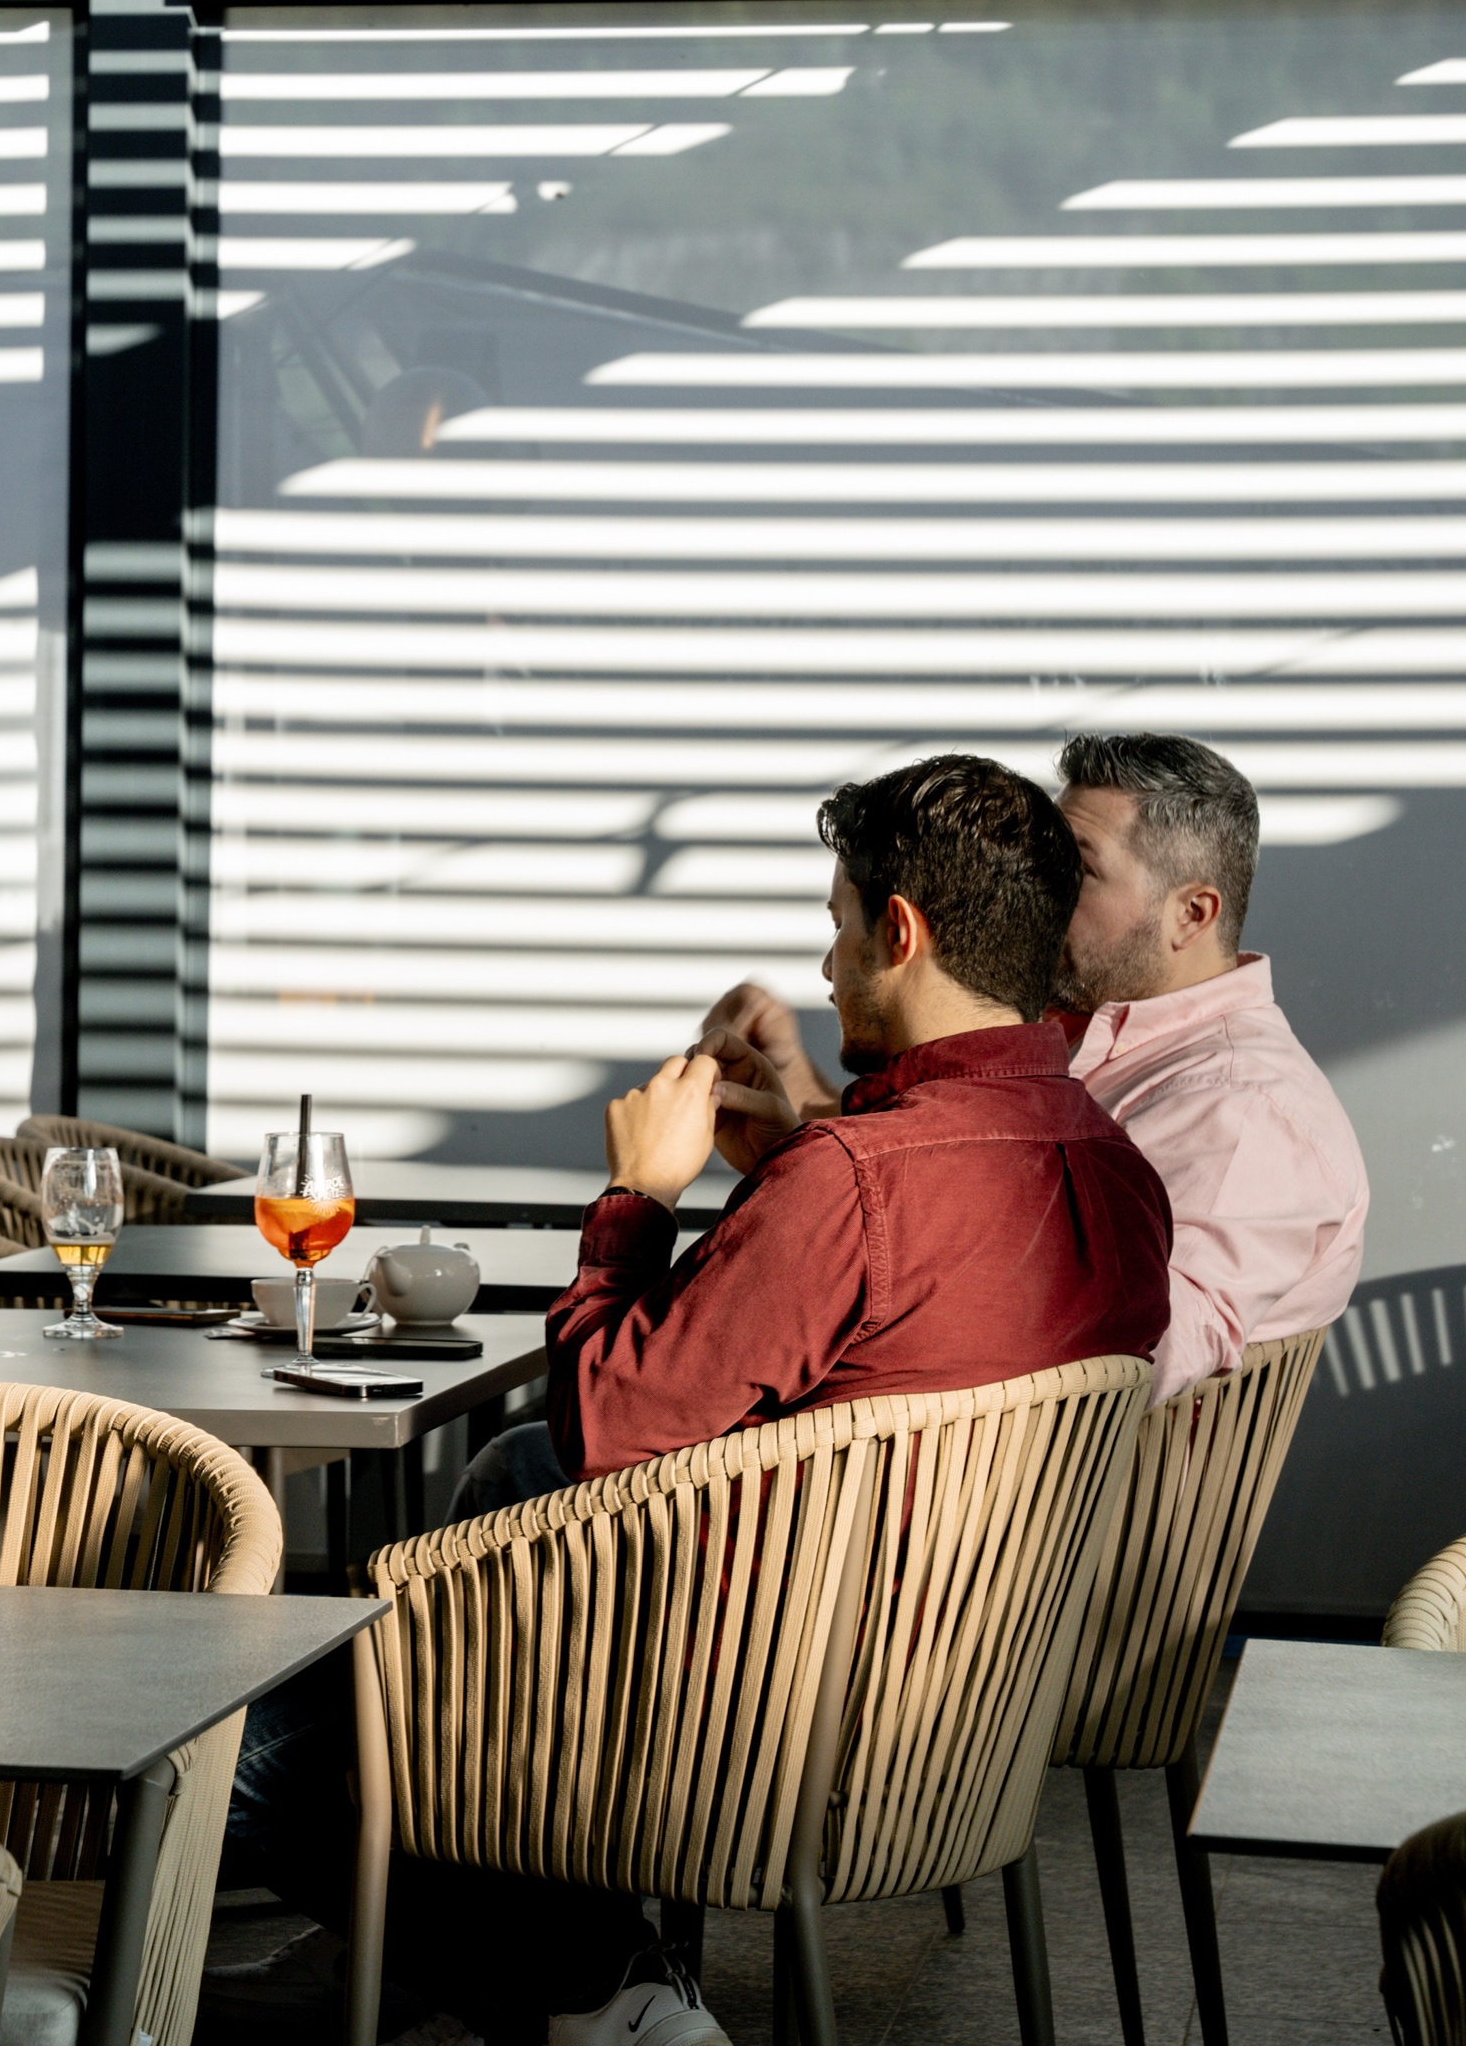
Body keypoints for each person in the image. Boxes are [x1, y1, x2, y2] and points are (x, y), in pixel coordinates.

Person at [230, 754, 1174, 2046]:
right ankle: (546, 1968)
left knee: (231, 1763)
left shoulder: (856, 1183)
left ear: (902, 931)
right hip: (953, 1720)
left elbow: (609, 1424)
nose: (828, 967)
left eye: (839, 926)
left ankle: (589, 1981)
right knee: (506, 1489)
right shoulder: (1119, 1173)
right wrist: (788, 1173)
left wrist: (641, 1196)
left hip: (736, 1723)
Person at [707, 732, 1367, 1410]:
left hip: (1017, 1472)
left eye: (1079, 869)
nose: (1041, 889)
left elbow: (1130, 1356)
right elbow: (939, 1179)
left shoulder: (1244, 1110)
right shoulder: (1083, 1035)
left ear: (1191, 914)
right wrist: (796, 1134)